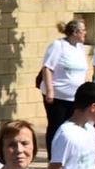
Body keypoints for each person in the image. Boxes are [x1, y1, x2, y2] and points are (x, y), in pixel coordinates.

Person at [37, 17, 91, 147]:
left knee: (71, 127)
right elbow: (47, 68)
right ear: (75, 32)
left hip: (75, 97)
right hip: (57, 97)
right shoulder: (58, 45)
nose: (85, 33)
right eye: (83, 30)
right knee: (57, 126)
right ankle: (53, 158)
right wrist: (50, 90)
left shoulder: (80, 48)